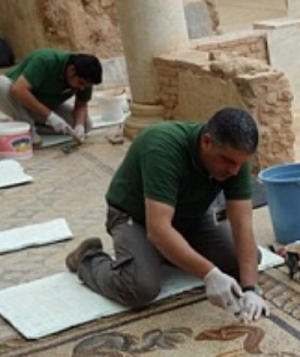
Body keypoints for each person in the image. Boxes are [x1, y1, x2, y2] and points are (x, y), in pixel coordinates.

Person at [65, 107, 269, 322]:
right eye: (228, 162)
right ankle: (88, 259)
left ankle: (166, 253)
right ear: (207, 141)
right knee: (139, 287)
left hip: (191, 216)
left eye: (239, 164)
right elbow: (158, 229)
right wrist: (210, 274)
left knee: (248, 260)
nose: (234, 171)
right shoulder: (163, 147)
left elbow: (242, 223)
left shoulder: (234, 159)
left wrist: (251, 288)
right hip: (136, 218)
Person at [0, 48, 102, 143]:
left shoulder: (85, 78)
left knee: (87, 125)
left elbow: (81, 105)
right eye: (80, 83)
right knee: (1, 84)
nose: (82, 88)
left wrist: (79, 125)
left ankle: (26, 126)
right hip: (18, 101)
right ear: (71, 70)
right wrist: (50, 117)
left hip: (43, 106)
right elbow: (18, 89)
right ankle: (28, 129)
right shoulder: (46, 60)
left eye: (86, 86)